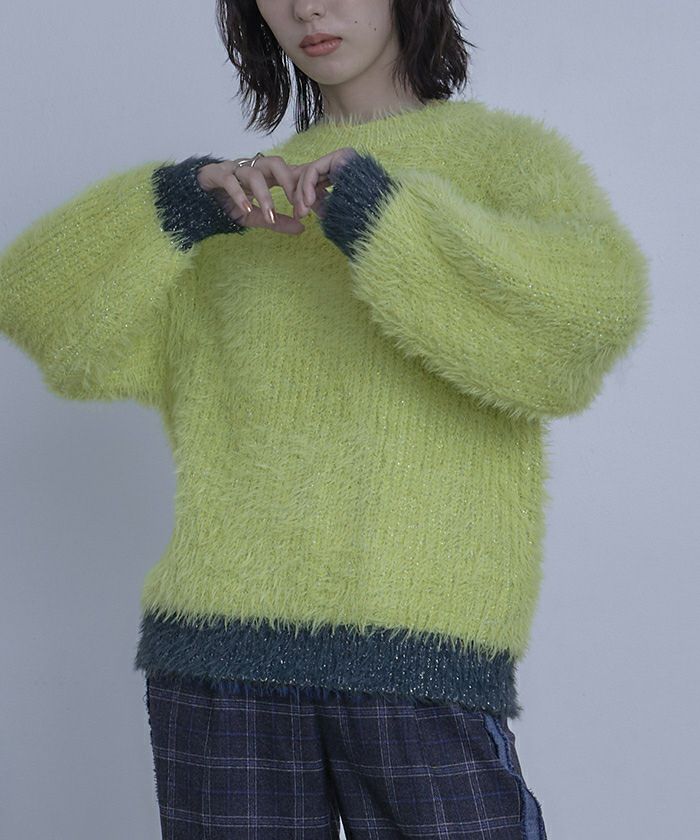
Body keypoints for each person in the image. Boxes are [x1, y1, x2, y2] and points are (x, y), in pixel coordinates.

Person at [0, 1, 651, 838]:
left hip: (420, 658)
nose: (306, 6)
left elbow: (581, 331)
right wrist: (179, 202)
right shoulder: (239, 202)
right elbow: (42, 316)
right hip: (218, 654)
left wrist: (382, 214)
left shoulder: (504, 157)